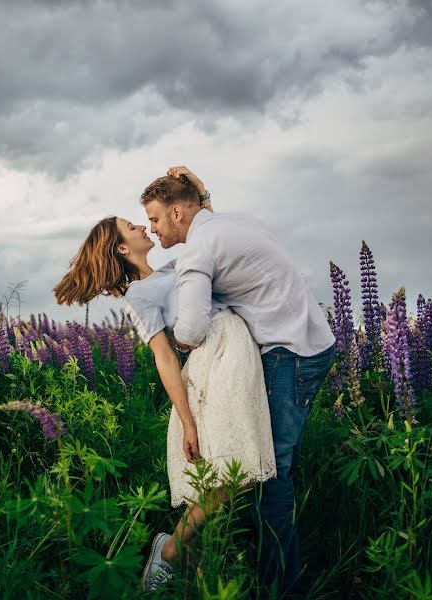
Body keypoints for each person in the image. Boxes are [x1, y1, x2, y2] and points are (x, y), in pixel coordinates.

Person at [53, 183, 276, 594]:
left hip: (237, 352)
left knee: (230, 469)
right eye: (130, 226)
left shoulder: (175, 267)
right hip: (214, 362)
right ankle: (171, 552)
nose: (142, 226)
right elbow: (164, 356)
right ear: (121, 249)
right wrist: (187, 419)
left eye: (144, 220)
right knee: (232, 475)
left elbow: (209, 232)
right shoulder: (138, 296)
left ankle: (189, 568)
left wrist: (202, 197)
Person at [140, 167, 337, 598]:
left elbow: (191, 330)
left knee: (271, 476)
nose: (151, 229)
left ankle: (283, 589)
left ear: (176, 213)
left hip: (290, 353)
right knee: (265, 469)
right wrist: (201, 188)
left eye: (154, 219)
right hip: (307, 342)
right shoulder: (234, 222)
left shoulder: (196, 250)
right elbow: (206, 212)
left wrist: (175, 333)